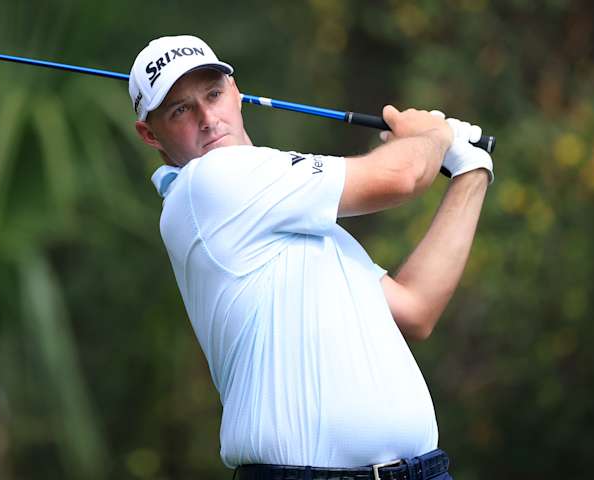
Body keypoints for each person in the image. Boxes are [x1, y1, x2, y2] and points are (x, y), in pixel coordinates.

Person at [129, 35, 492, 480]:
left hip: (423, 472)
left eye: (213, 94)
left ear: (236, 93)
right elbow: (401, 176)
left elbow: (415, 308)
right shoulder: (208, 183)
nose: (207, 119)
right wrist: (433, 135)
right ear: (150, 134)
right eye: (180, 110)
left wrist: (470, 171)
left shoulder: (298, 216)